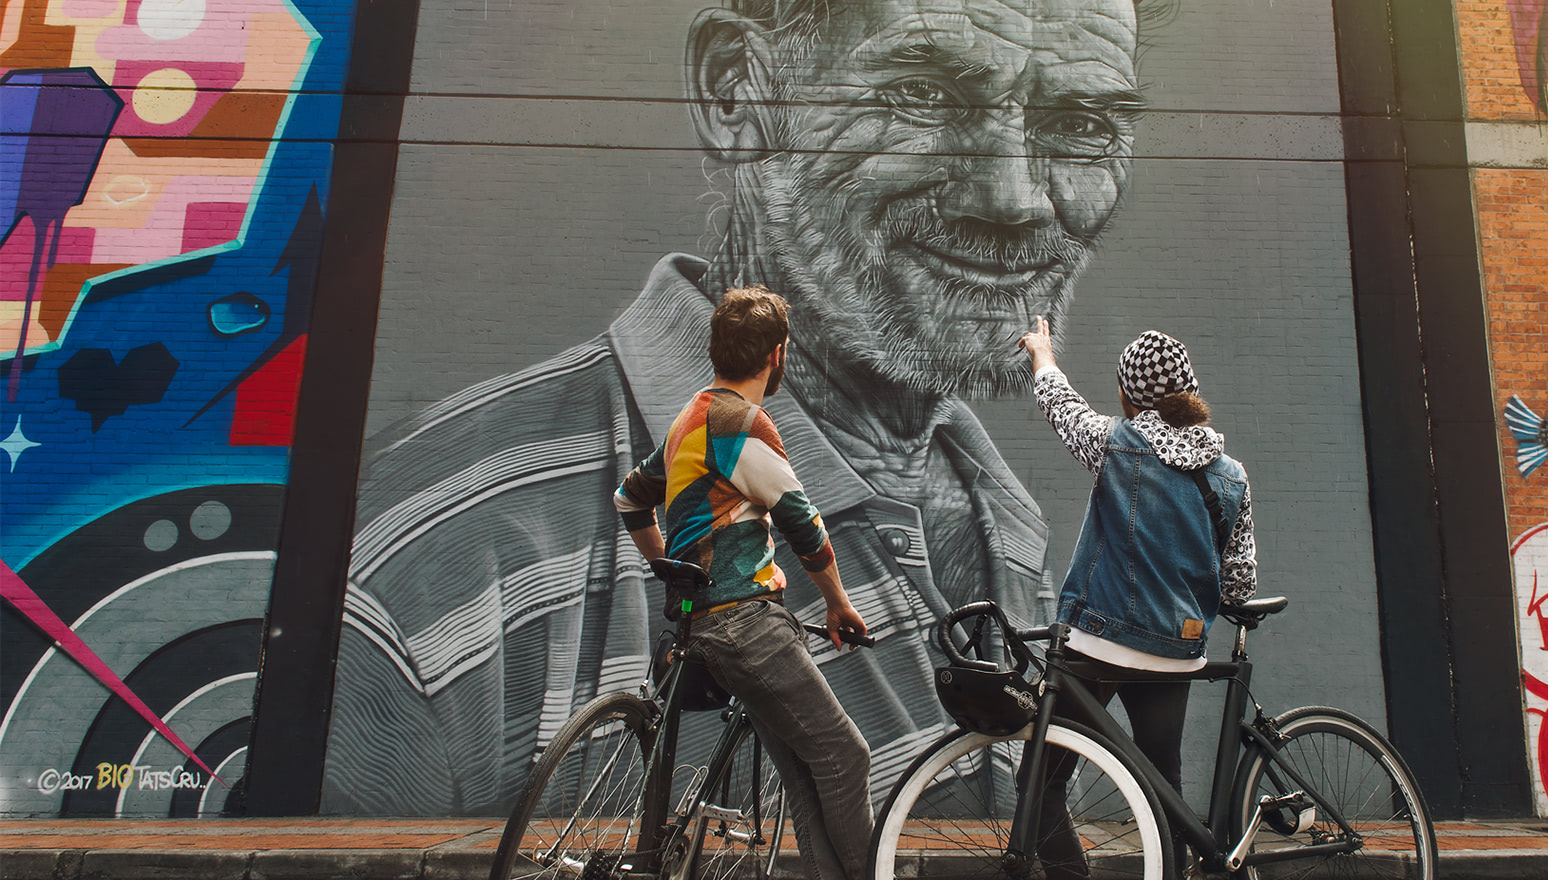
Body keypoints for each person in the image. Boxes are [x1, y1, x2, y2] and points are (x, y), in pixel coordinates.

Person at [326, 0, 1160, 815]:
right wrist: (819, 598)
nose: (1014, 197)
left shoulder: (1001, 509)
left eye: (1083, 123)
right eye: (923, 96)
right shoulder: (435, 569)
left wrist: (670, 573)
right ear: (738, 92)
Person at [614, 286, 873, 880]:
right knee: (846, 756)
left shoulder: (693, 418)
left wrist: (667, 569)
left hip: (700, 623)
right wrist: (838, 603)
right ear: (777, 354)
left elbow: (630, 499)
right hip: (746, 623)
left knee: (810, 774)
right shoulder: (744, 424)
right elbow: (804, 525)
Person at [1018, 316, 1256, 874]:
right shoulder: (1231, 476)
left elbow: (1060, 404)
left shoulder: (1113, 445)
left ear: (1126, 395)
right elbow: (1239, 584)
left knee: (1041, 783)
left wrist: (1042, 353)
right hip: (1176, 652)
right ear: (1191, 392)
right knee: (1162, 791)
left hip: (1097, 643)